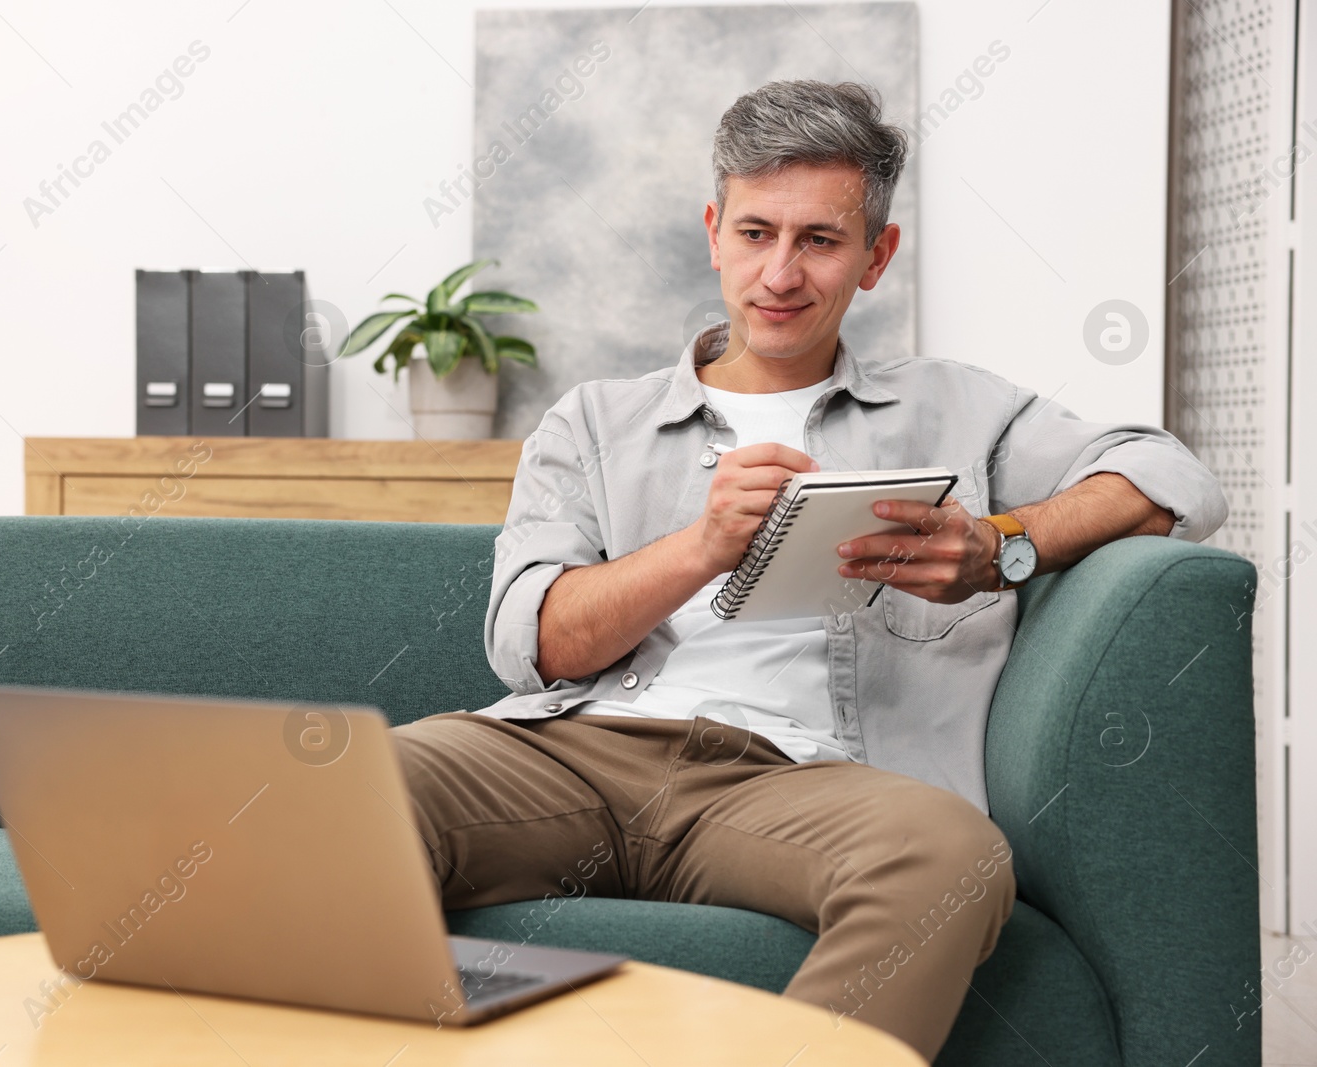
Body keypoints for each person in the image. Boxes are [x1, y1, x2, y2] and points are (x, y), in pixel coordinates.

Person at [391, 79, 1227, 1062]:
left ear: (876, 255)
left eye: (819, 241)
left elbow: (1173, 476)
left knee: (951, 860)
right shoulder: (593, 421)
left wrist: (1000, 545)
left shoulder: (963, 410)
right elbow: (531, 644)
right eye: (754, 233)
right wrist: (699, 545)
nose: (778, 273)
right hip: (578, 749)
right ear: (712, 230)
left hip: (804, 780)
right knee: (342, 794)